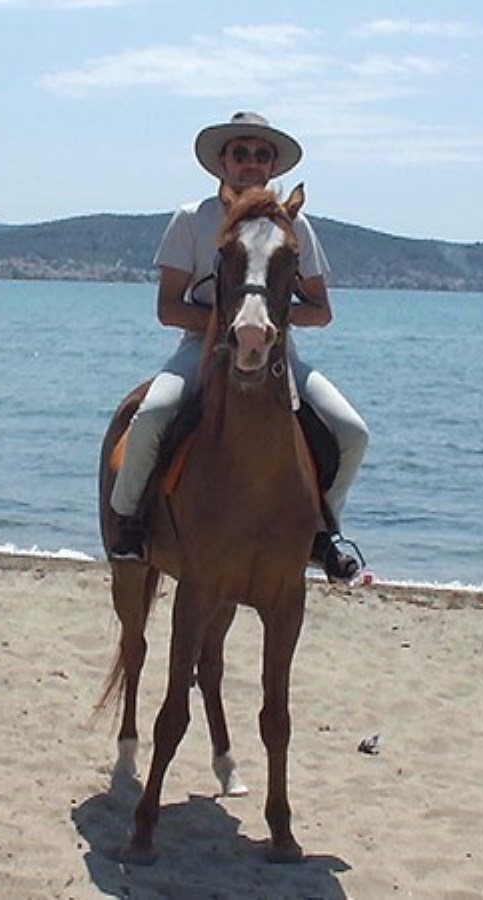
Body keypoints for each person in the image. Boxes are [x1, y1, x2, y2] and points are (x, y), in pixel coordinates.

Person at [107, 111, 370, 583]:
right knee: (150, 416)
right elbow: (168, 308)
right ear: (222, 163)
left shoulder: (295, 225)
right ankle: (129, 524)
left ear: (273, 167)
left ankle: (321, 530)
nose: (251, 163)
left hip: (275, 352)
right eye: (241, 154)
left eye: (262, 155)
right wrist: (228, 324)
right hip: (202, 348)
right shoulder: (191, 220)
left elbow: (321, 311)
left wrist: (270, 323)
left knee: (353, 433)